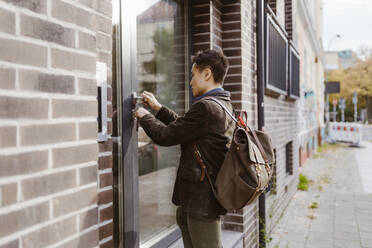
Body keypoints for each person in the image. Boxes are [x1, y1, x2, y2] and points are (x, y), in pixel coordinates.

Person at [135, 49, 234, 248]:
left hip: (202, 204)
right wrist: (158, 108)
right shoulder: (222, 105)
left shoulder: (207, 107)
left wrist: (143, 115)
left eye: (193, 75)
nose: (190, 82)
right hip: (199, 201)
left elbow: (166, 135)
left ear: (206, 74)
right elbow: (185, 127)